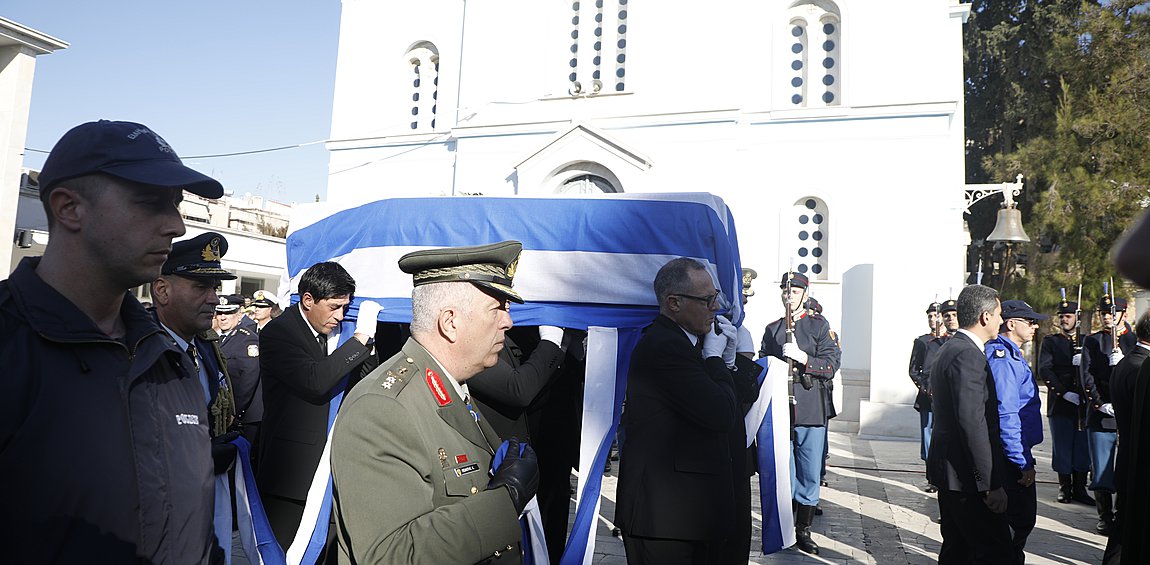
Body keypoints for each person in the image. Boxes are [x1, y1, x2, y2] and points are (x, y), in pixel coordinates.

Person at [0, 120, 220, 562]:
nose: (176, 226)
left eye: (175, 204)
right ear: (69, 208)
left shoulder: (167, 357)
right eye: (150, 203)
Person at [330, 240, 539, 564]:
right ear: (450, 322)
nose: (507, 323)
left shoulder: (451, 386)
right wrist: (506, 499)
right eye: (497, 308)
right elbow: (392, 556)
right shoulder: (383, 408)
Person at [616, 257, 760, 565]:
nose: (716, 306)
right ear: (674, 303)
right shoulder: (665, 346)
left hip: (688, 514)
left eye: (715, 296)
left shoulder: (690, 342)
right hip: (664, 519)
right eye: (707, 299)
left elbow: (740, 399)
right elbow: (721, 412)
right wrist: (714, 359)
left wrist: (730, 361)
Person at [256, 261, 381, 555]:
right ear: (308, 300)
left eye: (345, 309)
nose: (340, 316)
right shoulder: (279, 332)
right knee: (282, 553)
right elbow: (315, 381)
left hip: (332, 466)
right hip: (292, 475)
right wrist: (358, 340)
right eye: (334, 307)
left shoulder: (332, 333)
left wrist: (368, 346)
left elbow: (362, 378)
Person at [152, 231, 242, 563]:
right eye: (200, 287)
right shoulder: (137, 350)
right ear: (162, 290)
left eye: (215, 288)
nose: (215, 299)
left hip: (207, 502)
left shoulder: (204, 344)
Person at [926, 284, 1013, 564]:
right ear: (985, 317)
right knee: (995, 552)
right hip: (966, 479)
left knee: (958, 551)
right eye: (999, 314)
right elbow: (972, 423)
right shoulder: (967, 354)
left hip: (954, 473)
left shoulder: (951, 348)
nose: (1002, 321)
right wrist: (989, 483)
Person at [758, 271, 841, 555]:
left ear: (805, 294)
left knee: (807, 471)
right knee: (786, 471)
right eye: (785, 291)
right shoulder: (773, 329)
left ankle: (804, 530)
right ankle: (786, 528)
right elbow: (763, 365)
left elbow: (831, 364)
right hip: (781, 408)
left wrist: (804, 358)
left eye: (794, 291)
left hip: (809, 409)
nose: (788, 295)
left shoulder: (819, 326)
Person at [985, 300, 1046, 563]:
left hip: (1018, 448)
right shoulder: (1002, 358)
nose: (1035, 326)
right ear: (1011, 324)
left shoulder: (1012, 355)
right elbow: (1006, 413)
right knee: (1016, 523)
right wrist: (1020, 461)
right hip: (1010, 453)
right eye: (1029, 321)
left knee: (1018, 526)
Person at [1081, 293, 1136, 535]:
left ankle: (1123, 512)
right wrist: (1099, 403)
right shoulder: (1093, 341)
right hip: (1102, 413)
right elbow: (1087, 375)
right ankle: (1105, 516)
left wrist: (1124, 363)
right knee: (1101, 468)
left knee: (1127, 467)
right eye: (1104, 313)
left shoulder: (1135, 340)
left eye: (1112, 313)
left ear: (1124, 314)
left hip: (1128, 415)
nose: (1107, 317)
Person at [1037, 298, 1093, 505]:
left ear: (1077, 318)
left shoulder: (1087, 341)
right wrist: (1063, 392)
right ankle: (1065, 488)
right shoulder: (1051, 342)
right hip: (1061, 402)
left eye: (1068, 316)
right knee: (1062, 446)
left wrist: (1084, 362)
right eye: (1061, 316)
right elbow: (1045, 369)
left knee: (1081, 447)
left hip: (1083, 403)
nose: (1064, 320)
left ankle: (1080, 488)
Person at [1106, 311, 1150, 561]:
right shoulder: (1139, 366)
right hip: (1137, 455)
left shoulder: (1129, 361)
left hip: (1129, 452)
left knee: (1122, 524)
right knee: (1127, 525)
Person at [216, 293, 264, 464]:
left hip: (245, 415)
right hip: (227, 412)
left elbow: (248, 380)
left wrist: (233, 411)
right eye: (220, 313)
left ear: (239, 314)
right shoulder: (218, 338)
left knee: (243, 463)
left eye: (228, 313)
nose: (223, 317)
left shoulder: (247, 339)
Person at [910, 302, 943, 468]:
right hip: (927, 396)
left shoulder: (950, 341)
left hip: (945, 397)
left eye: (936, 315)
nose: (932, 319)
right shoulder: (922, 341)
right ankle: (930, 471)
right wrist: (925, 388)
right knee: (927, 431)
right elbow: (914, 370)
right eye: (929, 316)